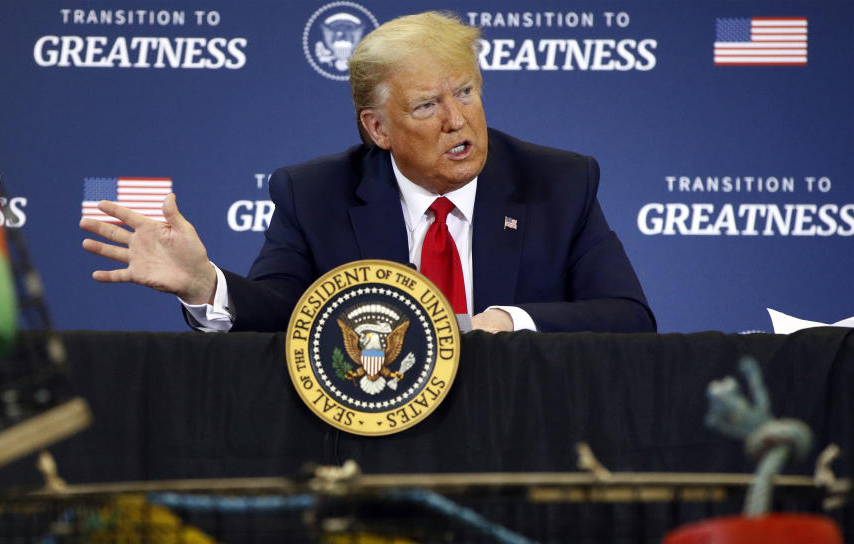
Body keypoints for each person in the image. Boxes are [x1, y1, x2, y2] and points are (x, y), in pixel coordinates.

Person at [80, 11, 655, 334]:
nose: (458, 120)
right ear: (378, 130)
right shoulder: (313, 194)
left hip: (519, 438)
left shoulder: (559, 182)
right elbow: (284, 311)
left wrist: (504, 323)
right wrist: (205, 285)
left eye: (466, 92)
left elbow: (627, 318)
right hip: (368, 448)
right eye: (427, 106)